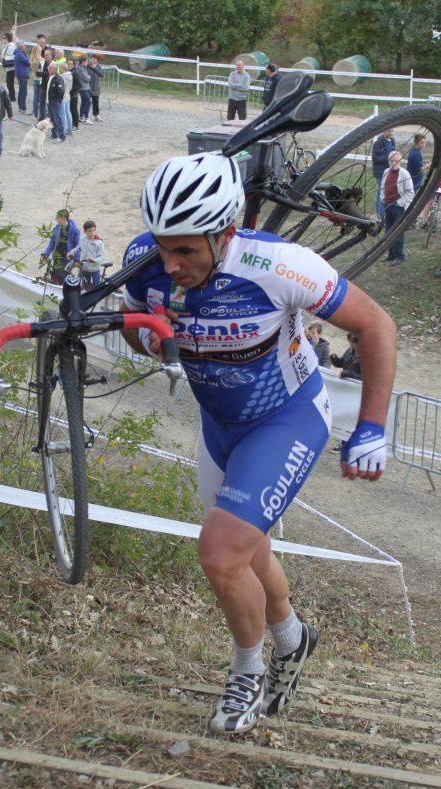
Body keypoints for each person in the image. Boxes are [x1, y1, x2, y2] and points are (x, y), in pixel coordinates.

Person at [120, 152, 396, 734]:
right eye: (162, 245)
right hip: (219, 427)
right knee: (251, 552)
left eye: (186, 251)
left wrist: (371, 426)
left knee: (221, 557)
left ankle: (247, 671)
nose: (169, 264)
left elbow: (376, 325)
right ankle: (294, 639)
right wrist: (153, 340)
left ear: (224, 234)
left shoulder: (280, 266)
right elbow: (136, 325)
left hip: (286, 420)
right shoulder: (143, 263)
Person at [380, 151, 413, 267]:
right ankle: (391, 255)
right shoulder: (385, 172)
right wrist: (382, 198)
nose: (394, 163)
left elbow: (410, 193)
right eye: (392, 160)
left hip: (398, 208)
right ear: (389, 161)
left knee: (398, 233)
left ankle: (400, 256)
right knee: (388, 231)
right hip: (387, 206)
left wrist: (398, 202)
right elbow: (382, 188)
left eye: (396, 161)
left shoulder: (405, 174)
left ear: (400, 162)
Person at [41, 210, 81, 276]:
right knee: (53, 272)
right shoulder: (57, 228)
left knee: (60, 272)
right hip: (57, 254)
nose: (55, 219)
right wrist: (45, 254)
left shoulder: (75, 230)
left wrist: (77, 260)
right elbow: (52, 242)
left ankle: (63, 285)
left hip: (67, 257)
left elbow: (77, 246)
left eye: (57, 217)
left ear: (63, 218)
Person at [371, 128, 396, 223]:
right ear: (384, 131)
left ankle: (384, 213)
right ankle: (379, 216)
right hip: (381, 173)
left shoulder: (392, 141)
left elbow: (394, 153)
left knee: (387, 194)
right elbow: (375, 158)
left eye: (392, 131)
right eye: (389, 131)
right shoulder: (378, 143)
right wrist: (388, 159)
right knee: (380, 195)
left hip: (390, 171)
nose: (391, 133)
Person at [45, 54, 67, 142]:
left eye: (50, 68)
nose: (48, 69)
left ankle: (61, 136)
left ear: (54, 69)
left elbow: (61, 91)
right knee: (52, 119)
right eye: (48, 67)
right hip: (48, 101)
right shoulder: (49, 77)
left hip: (54, 102)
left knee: (58, 119)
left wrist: (56, 100)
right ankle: (54, 134)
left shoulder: (58, 79)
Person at [77, 220, 106, 288]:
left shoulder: (99, 242)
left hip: (95, 268)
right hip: (85, 268)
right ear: (85, 231)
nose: (92, 233)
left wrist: (93, 260)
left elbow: (102, 257)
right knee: (85, 288)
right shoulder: (82, 239)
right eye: (89, 230)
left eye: (94, 230)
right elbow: (78, 250)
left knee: (97, 288)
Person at [31, 37, 50, 120]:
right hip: (39, 79)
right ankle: (39, 114)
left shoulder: (33, 55)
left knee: (37, 97)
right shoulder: (41, 59)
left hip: (37, 78)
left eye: (42, 43)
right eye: (40, 43)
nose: (41, 45)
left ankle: (35, 114)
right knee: (40, 98)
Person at [13, 35, 31, 113]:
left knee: (21, 90)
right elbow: (28, 62)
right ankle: (23, 108)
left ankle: (20, 107)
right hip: (22, 74)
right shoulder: (20, 54)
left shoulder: (19, 53)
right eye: (24, 45)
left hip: (20, 73)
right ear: (21, 46)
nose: (25, 46)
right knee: (23, 91)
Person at [75, 56, 94, 125]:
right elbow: (87, 78)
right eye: (87, 61)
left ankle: (81, 116)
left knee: (84, 102)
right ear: (83, 61)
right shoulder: (80, 69)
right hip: (83, 88)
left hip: (85, 87)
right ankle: (86, 117)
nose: (87, 63)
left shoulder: (83, 68)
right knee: (88, 102)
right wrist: (89, 77)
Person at [1, 32, 18, 102]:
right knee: (9, 82)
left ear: (8, 38)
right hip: (10, 68)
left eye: (4, 38)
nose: (3, 39)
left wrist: (5, 58)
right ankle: (11, 95)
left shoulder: (11, 47)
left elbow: (14, 56)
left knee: (9, 82)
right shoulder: (8, 46)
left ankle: (12, 96)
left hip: (12, 68)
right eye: (3, 38)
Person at [87, 55, 104, 123]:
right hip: (88, 87)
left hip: (96, 87)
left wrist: (95, 68)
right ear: (89, 60)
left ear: (97, 61)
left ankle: (96, 115)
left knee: (96, 102)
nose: (93, 61)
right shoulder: (87, 66)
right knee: (87, 102)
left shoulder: (98, 66)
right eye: (92, 60)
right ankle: (85, 115)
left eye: (95, 60)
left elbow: (102, 74)